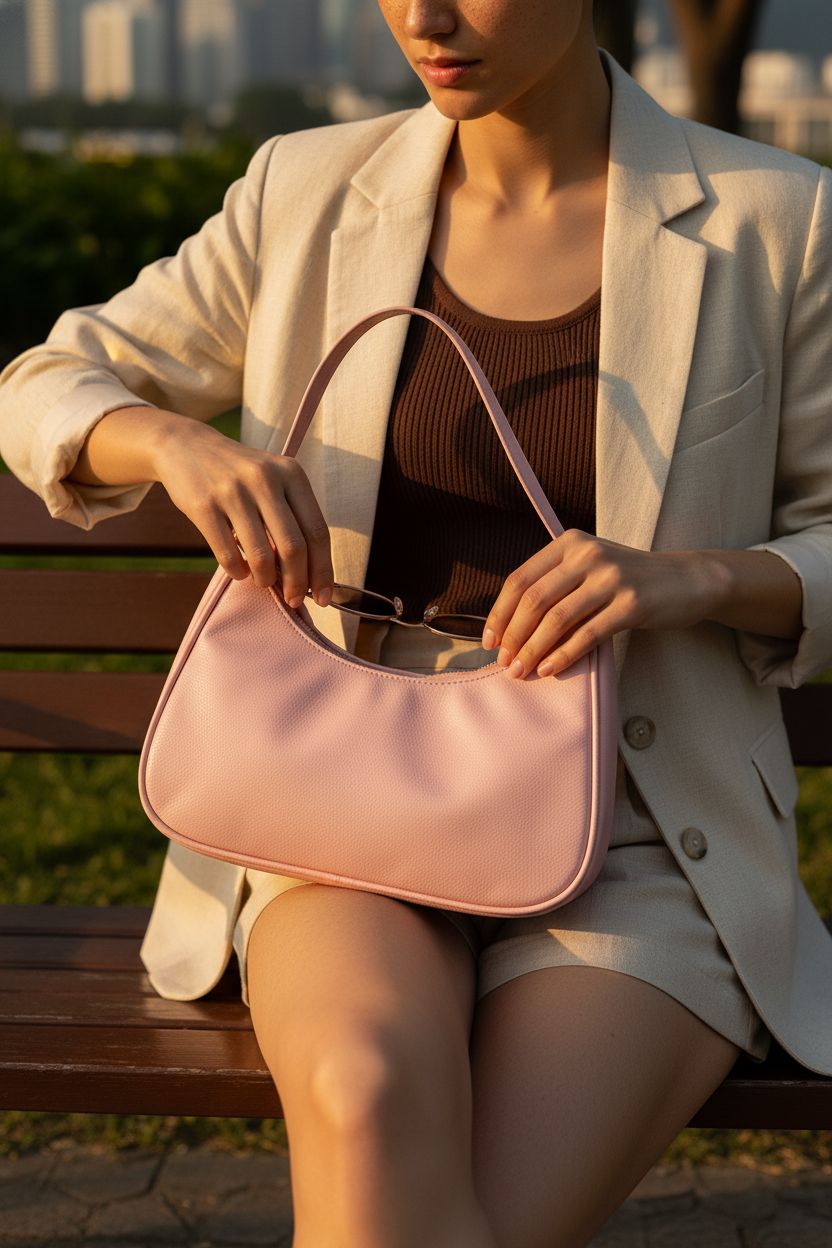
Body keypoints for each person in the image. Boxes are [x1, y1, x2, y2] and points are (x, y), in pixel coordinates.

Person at [2, 2, 832, 1245]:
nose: (424, 17)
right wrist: (175, 444)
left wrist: (693, 579)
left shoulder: (776, 218)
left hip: (645, 834)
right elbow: (45, 384)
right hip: (344, 801)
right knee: (368, 1093)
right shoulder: (309, 189)